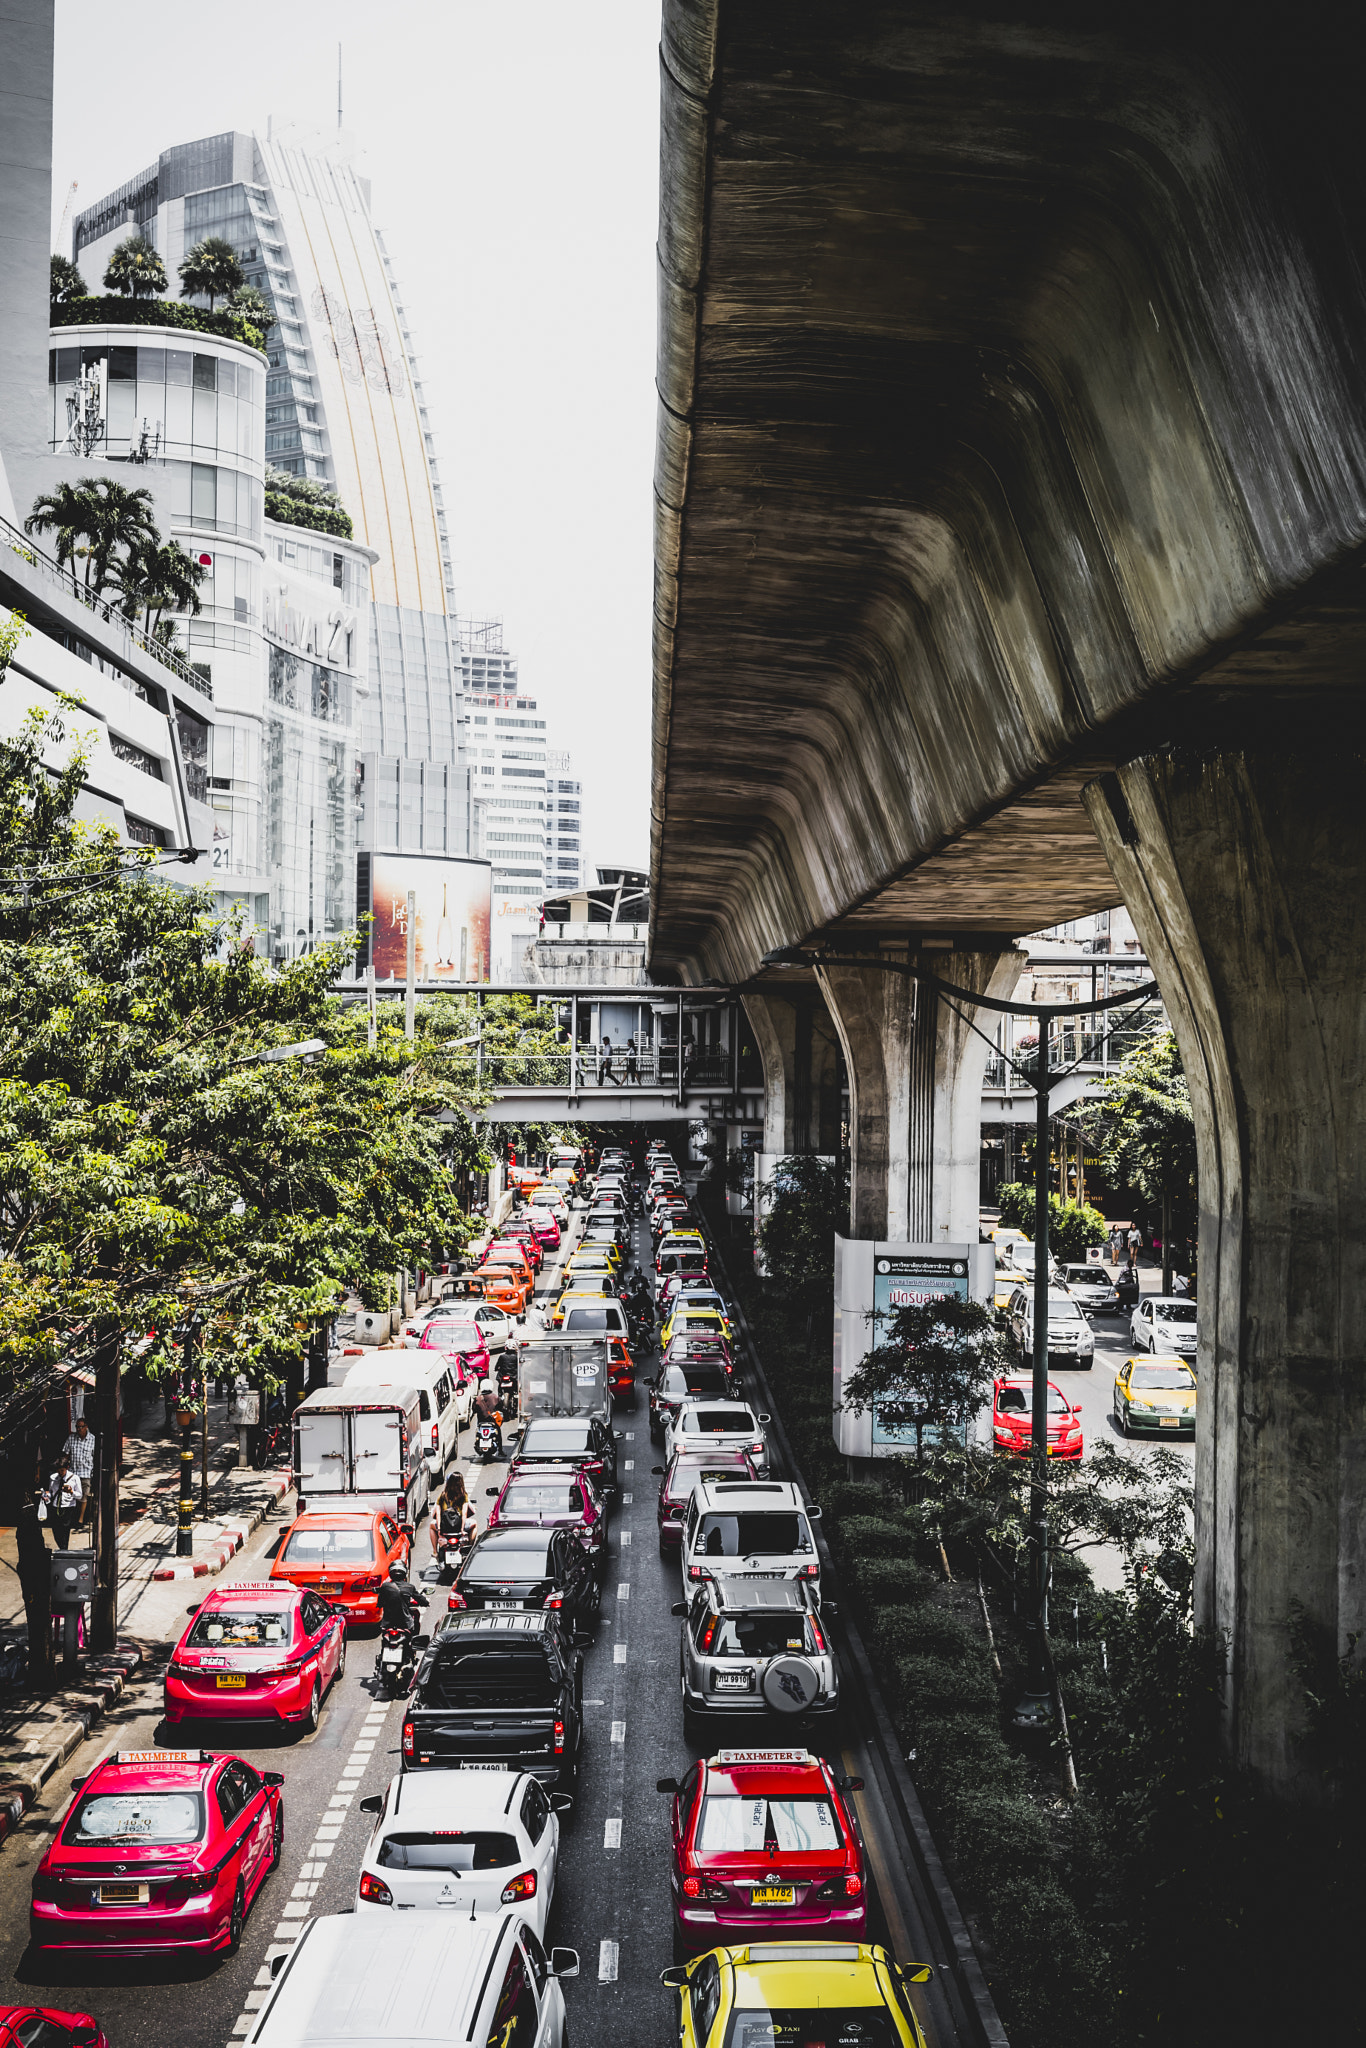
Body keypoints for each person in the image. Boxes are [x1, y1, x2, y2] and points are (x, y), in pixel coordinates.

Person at [430, 1470, 478, 1558]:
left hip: (445, 1527)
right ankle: (469, 1549)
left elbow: (438, 1514)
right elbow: (464, 1514)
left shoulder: (443, 1495)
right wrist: (462, 1529)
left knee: (431, 1526)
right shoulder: (463, 1495)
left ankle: (434, 1551)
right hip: (458, 1526)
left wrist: (440, 1530)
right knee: (474, 1524)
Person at [376, 1559, 426, 1637]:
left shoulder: (385, 1586)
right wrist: (425, 1602)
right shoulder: (410, 1587)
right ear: (404, 1573)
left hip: (387, 1623)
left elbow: (379, 1603)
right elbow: (421, 1599)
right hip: (405, 1623)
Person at [43, 1455, 82, 1551]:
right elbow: (51, 1492)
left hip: (68, 1507)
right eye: (58, 1471)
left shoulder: (74, 1478)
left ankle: (64, 1549)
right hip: (55, 1506)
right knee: (56, 1529)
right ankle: (62, 1548)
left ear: (67, 1468)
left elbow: (80, 1495)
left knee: (65, 1530)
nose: (60, 1473)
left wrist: (71, 1492)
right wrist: (46, 1496)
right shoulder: (53, 1478)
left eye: (62, 1471)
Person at [63, 1417, 95, 1532]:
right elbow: (66, 1455)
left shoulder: (92, 1439)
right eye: (77, 1427)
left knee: (83, 1497)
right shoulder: (71, 1438)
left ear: (86, 1427)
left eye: (80, 1427)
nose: (78, 1429)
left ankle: (80, 1519)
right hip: (73, 1473)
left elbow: (95, 1457)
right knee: (72, 1496)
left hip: (86, 1472)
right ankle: (72, 1517)